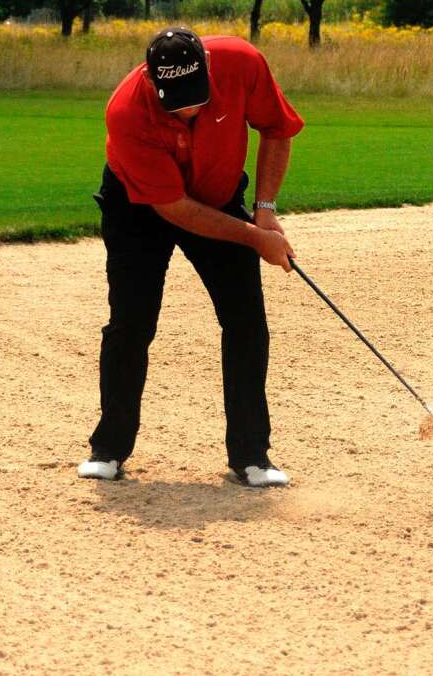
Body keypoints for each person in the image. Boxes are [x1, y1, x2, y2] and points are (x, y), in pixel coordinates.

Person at [77, 27, 304, 487]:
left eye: (195, 94)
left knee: (245, 322)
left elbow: (278, 128)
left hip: (218, 193)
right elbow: (175, 209)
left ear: (207, 70)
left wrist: (265, 212)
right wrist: (254, 239)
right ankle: (110, 448)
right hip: (139, 206)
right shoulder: (126, 112)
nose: (188, 108)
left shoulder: (241, 62)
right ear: (152, 82)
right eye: (175, 99)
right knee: (132, 322)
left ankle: (251, 455)